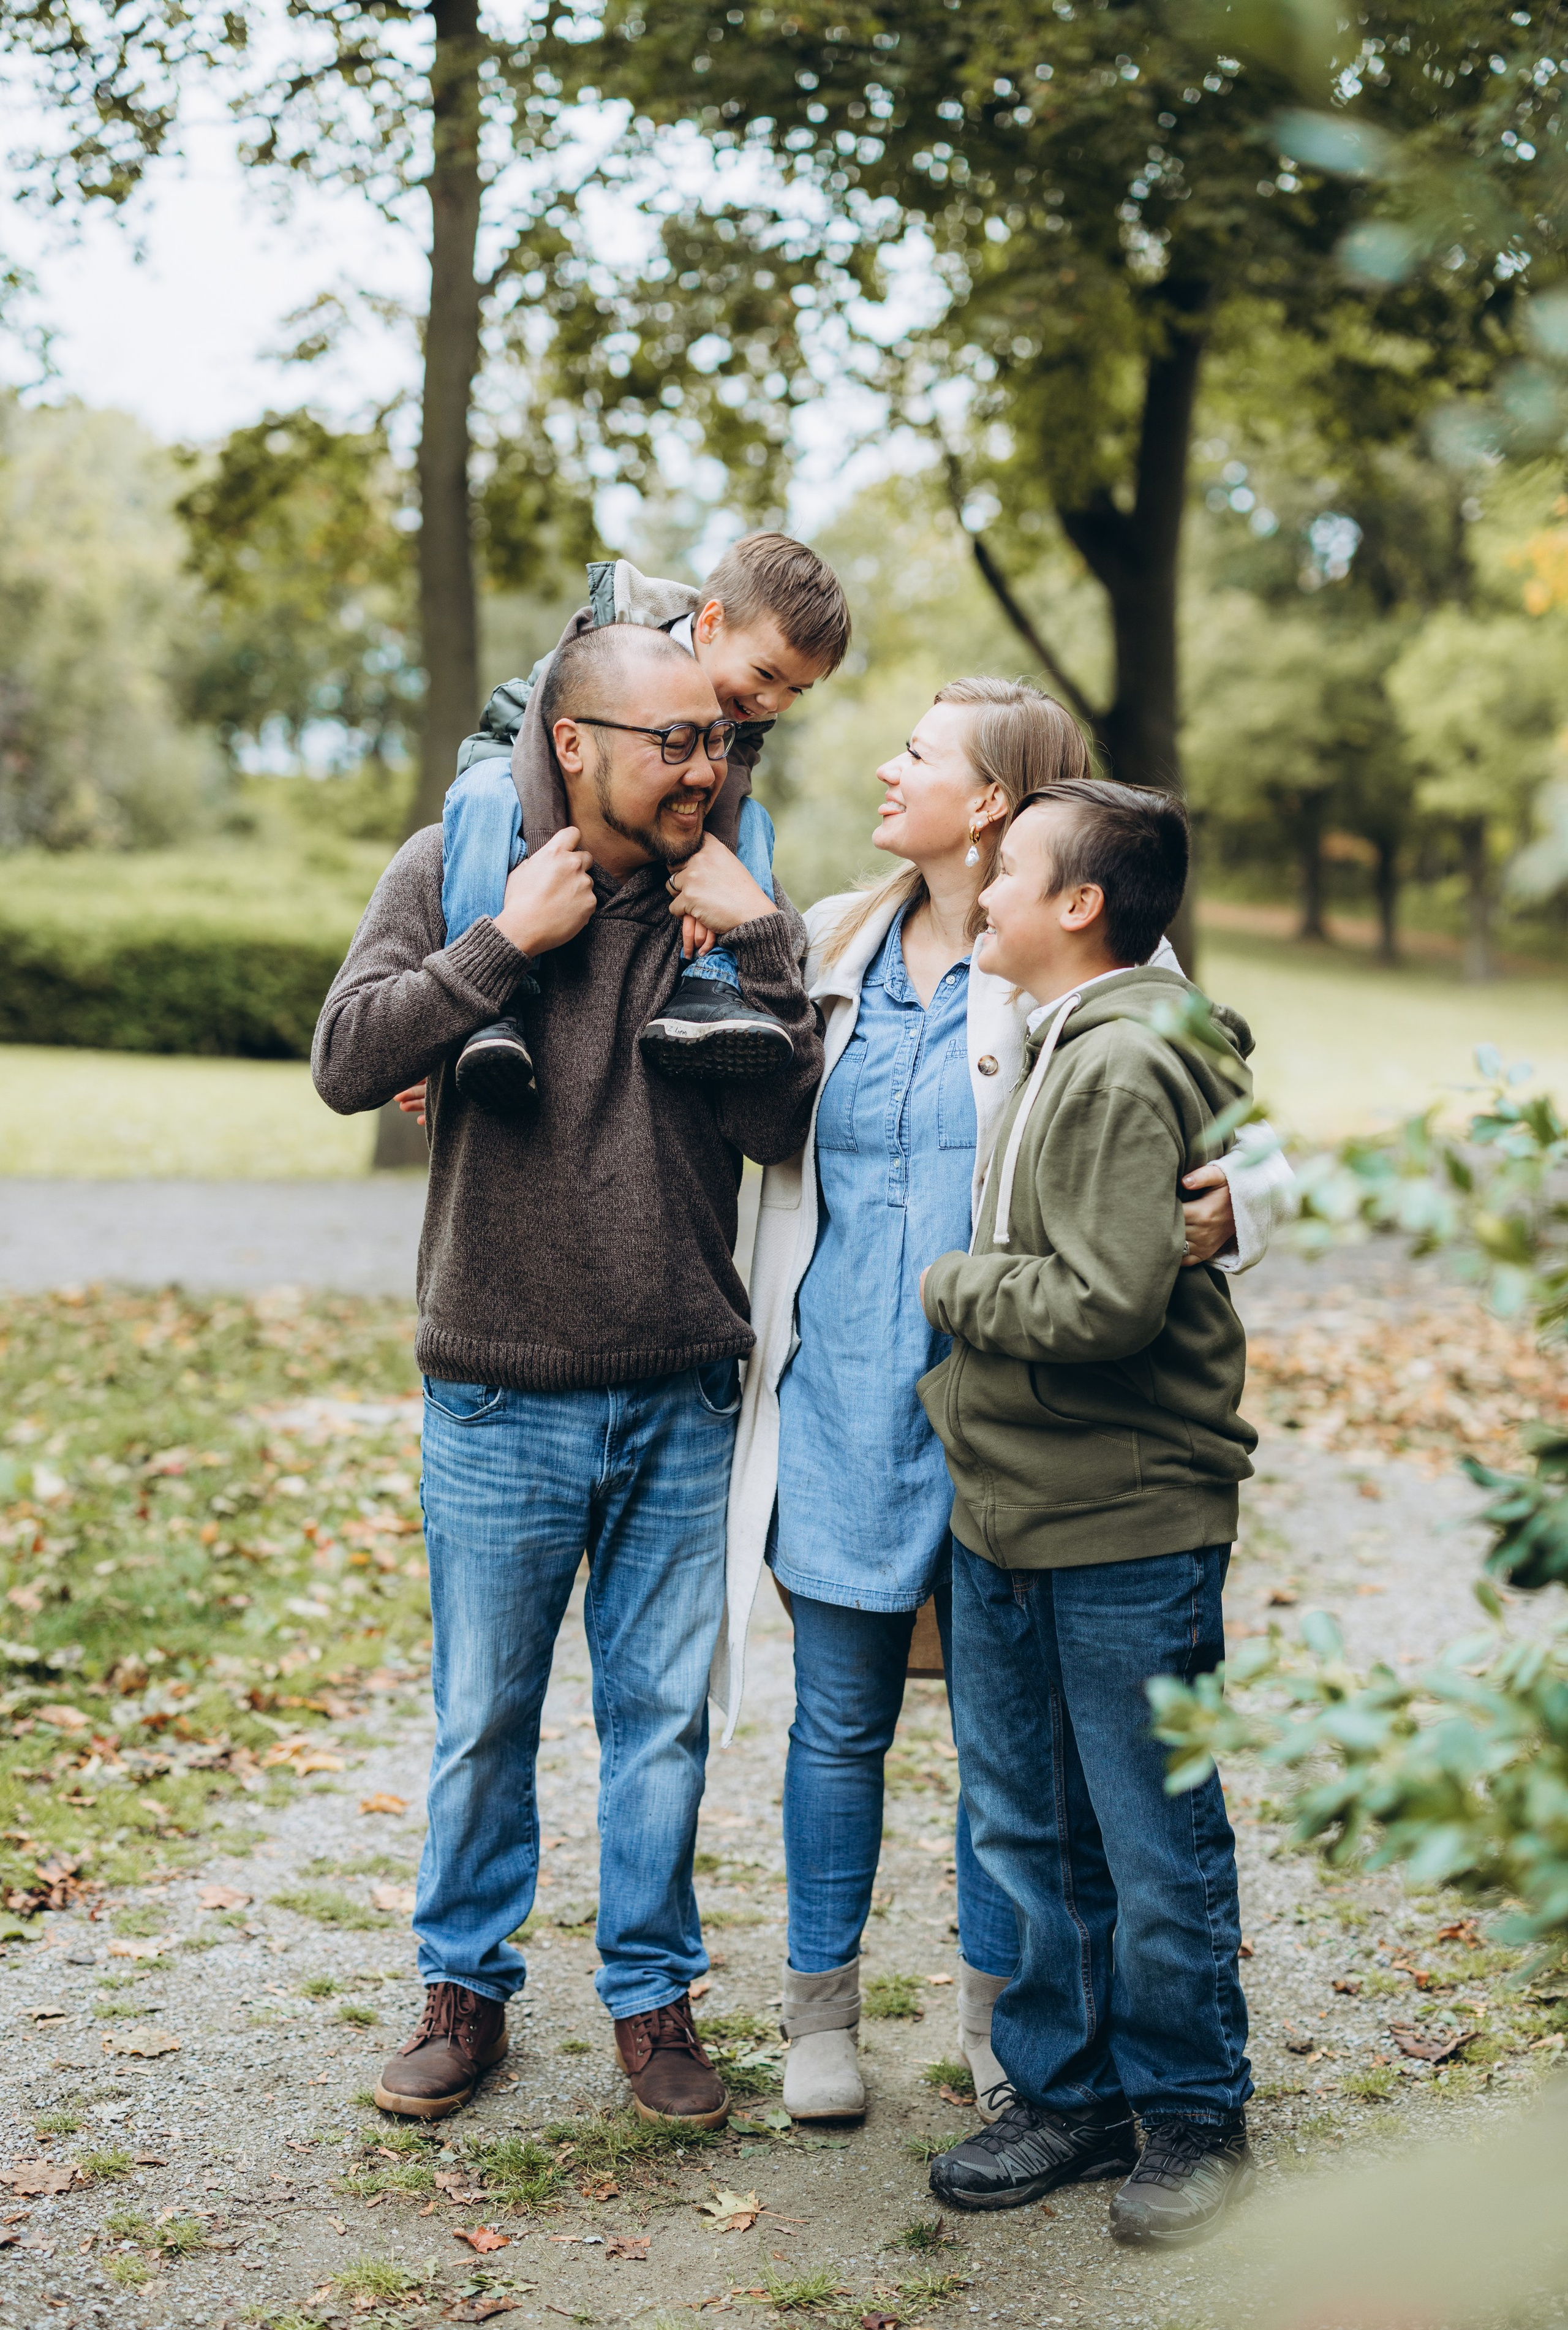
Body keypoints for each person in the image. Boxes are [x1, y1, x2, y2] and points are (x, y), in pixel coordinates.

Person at [682, 678, 1290, 2125]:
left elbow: (1248, 1138)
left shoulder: (1066, 963)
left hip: (1009, 1410)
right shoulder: (828, 935)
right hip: (835, 1390)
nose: (887, 767)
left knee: (1005, 1747)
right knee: (837, 1722)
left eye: (917, 753)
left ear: (996, 808)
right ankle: (817, 2016)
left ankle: (999, 2017)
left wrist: (1230, 1212)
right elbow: (679, 1053)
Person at [312, 622, 823, 2125]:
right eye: (672, 740)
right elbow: (347, 1058)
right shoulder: (454, 866)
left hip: (680, 1377)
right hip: (494, 1382)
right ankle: (462, 1989)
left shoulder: (719, 888)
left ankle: (652, 2001)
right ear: (572, 740)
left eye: (716, 740)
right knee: (483, 1712)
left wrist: (763, 942)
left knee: (658, 1719)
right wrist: (498, 951)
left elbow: (786, 1125)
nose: (706, 764)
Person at [917, 779, 1258, 2244]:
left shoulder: (1120, 1060)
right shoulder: (1059, 1032)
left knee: (1148, 1830)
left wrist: (947, 1285)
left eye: (1009, 867)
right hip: (1007, 1502)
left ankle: (1190, 2112)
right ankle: (1063, 2091)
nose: (978, 884)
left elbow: (1106, 1302)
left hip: (1122, 1515)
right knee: (1029, 1825)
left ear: (1080, 907)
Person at [440, 535, 850, 1113]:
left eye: (794, 691)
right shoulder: (615, 636)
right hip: (518, 764)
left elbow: (727, 788)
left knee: (752, 824)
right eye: (766, 674)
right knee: (483, 797)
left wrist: (704, 874)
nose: (771, 703)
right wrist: (547, 856)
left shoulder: (741, 703)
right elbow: (540, 748)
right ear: (710, 623)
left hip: (644, 829)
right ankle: (489, 1009)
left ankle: (712, 984)